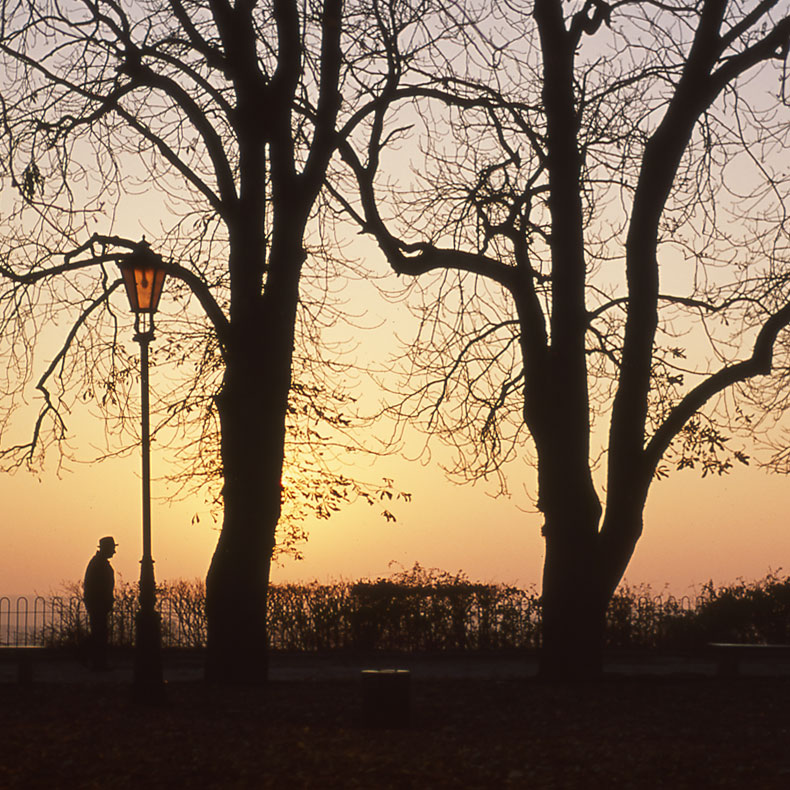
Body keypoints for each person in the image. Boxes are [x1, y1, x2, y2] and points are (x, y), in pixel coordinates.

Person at [83, 536, 117, 670]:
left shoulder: (98, 563)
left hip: (98, 604)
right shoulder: (99, 564)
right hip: (98, 604)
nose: (114, 552)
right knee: (100, 634)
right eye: (112, 548)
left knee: (99, 633)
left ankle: (97, 661)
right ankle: (97, 662)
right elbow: (98, 586)